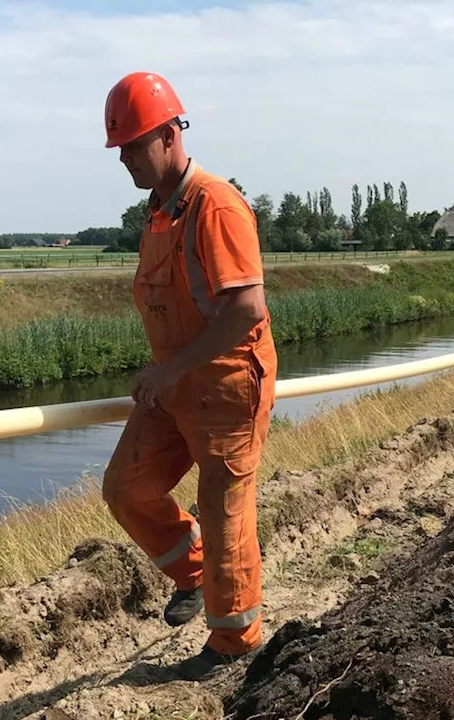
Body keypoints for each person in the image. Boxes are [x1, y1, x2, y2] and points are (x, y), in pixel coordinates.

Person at [99, 71, 277, 681]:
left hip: (226, 387)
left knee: (225, 513)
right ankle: (193, 574)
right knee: (126, 488)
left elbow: (247, 308)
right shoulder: (157, 215)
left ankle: (234, 646)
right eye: (118, 148)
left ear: (170, 134)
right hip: (176, 388)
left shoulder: (215, 205)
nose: (123, 158)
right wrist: (164, 373)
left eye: (132, 145)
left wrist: (172, 366)